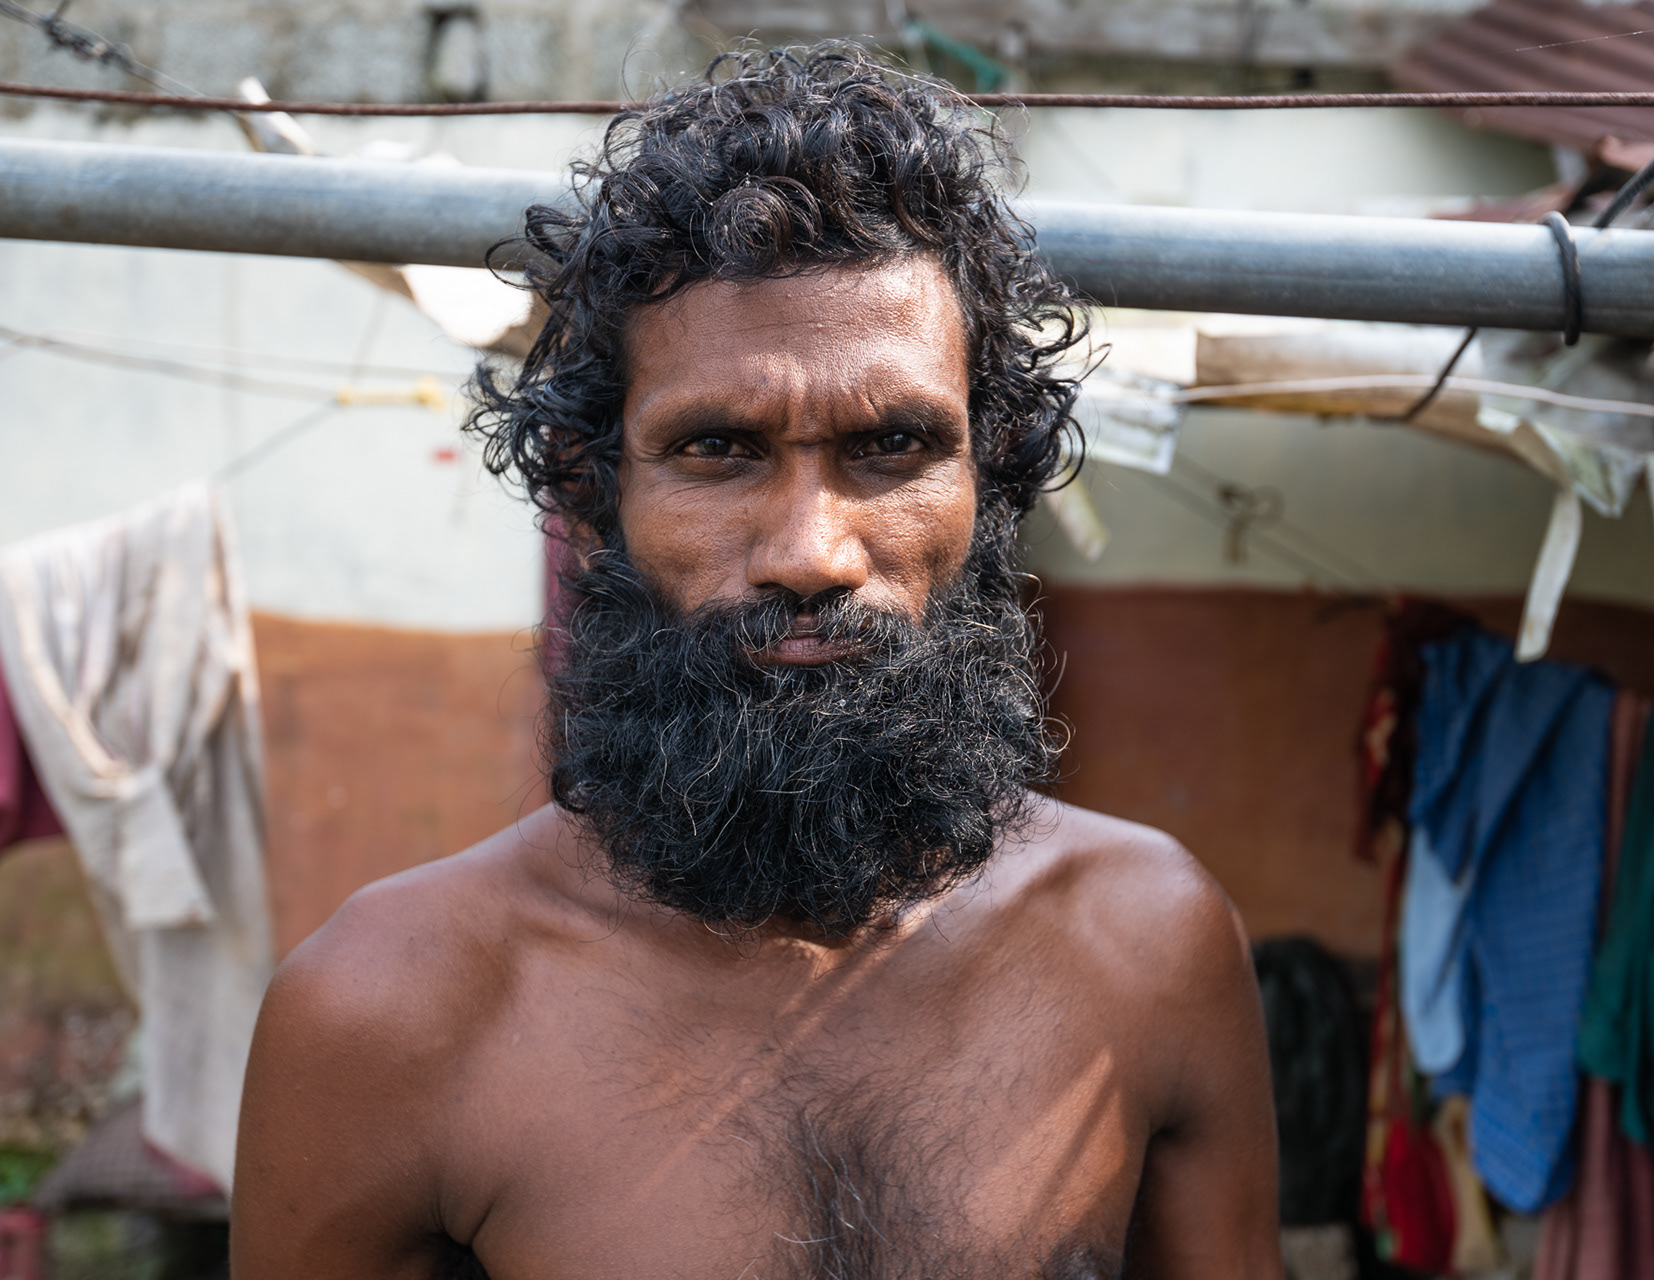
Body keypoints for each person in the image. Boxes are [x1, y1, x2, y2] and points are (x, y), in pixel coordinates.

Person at [230, 45, 1281, 1280]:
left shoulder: (1151, 941)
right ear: (591, 483)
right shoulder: (386, 1011)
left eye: (891, 444)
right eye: (719, 449)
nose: (812, 554)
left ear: (989, 471)